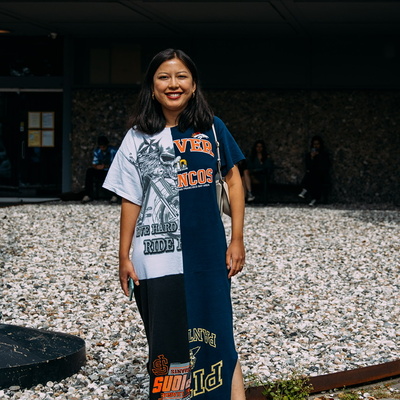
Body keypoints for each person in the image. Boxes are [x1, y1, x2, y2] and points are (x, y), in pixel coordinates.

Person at [103, 49, 246, 400]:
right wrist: (123, 256)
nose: (173, 84)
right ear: (152, 88)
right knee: (167, 349)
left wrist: (237, 239)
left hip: (207, 256)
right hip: (156, 261)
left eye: (181, 76)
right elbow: (131, 198)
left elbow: (233, 182)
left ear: (194, 85)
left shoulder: (212, 128)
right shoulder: (137, 137)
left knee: (218, 338)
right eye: (164, 77)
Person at [82, 135, 118, 203]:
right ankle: (88, 195)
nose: (102, 148)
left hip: (111, 171)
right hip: (102, 171)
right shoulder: (97, 151)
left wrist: (106, 166)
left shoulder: (113, 151)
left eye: (104, 146)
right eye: (101, 146)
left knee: (116, 173)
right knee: (90, 171)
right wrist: (97, 167)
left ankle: (115, 196)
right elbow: (94, 163)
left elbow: (116, 164)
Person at [298, 135, 330, 206]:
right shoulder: (309, 155)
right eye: (314, 144)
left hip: (321, 174)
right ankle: (306, 191)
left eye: (317, 144)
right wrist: (312, 157)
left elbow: (325, 165)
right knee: (311, 176)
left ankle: (312, 196)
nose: (316, 146)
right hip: (312, 173)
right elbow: (308, 166)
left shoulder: (324, 154)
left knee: (317, 180)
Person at [246, 140, 273, 204]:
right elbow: (249, 166)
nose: (259, 148)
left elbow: (268, 167)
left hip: (262, 176)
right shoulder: (252, 158)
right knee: (244, 177)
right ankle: (248, 195)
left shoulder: (266, 157)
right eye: (257, 146)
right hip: (253, 175)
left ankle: (248, 195)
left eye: (260, 147)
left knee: (245, 175)